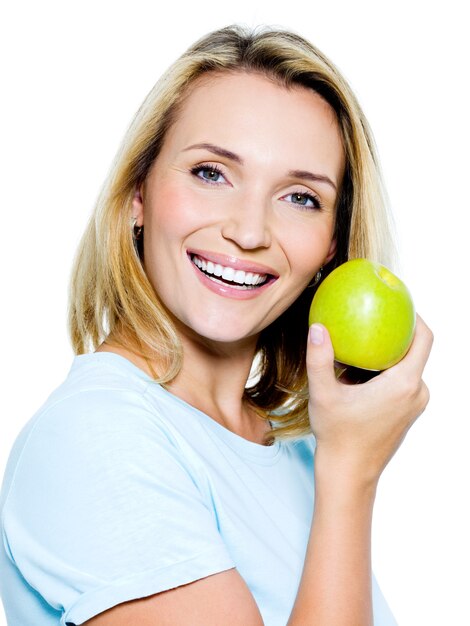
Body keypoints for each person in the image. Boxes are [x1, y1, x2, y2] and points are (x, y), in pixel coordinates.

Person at [0, 24, 432, 626]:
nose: (249, 232)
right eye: (211, 173)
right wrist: (351, 478)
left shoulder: (299, 450)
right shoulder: (96, 437)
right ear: (138, 194)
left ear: (331, 248)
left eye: (301, 197)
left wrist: (340, 467)